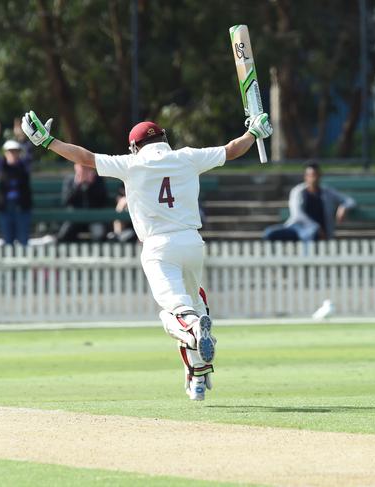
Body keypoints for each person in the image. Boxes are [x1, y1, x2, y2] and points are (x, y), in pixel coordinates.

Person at [21, 109, 272, 401]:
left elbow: (85, 158)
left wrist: (47, 141)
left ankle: (193, 330)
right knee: (194, 304)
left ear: (134, 146)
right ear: (164, 138)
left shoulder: (131, 164)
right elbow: (232, 150)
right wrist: (253, 133)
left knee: (174, 314)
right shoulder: (187, 156)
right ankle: (198, 375)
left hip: (158, 247)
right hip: (192, 243)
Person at [263, 163, 356, 241]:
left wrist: (344, 207)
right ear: (305, 177)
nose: (313, 178)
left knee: (311, 234)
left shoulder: (328, 192)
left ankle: (307, 262)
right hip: (296, 228)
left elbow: (350, 201)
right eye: (311, 175)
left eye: (316, 175)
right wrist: (316, 227)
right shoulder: (297, 191)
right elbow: (297, 215)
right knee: (270, 233)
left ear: (320, 176)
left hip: (317, 233)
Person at [0, 119, 34, 245]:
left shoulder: (23, 165)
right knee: (8, 241)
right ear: (5, 153)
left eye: (15, 151)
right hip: (6, 208)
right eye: (10, 151)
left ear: (19, 152)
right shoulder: (1, 165)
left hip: (22, 207)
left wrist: (21, 136)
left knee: (23, 241)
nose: (12, 154)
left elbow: (29, 151)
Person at [57, 164, 108, 242]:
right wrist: (77, 185)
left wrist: (91, 185)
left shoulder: (98, 180)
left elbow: (103, 201)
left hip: (94, 217)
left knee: (99, 234)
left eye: (86, 167)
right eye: (81, 167)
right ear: (76, 167)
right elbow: (66, 201)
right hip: (75, 218)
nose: (84, 170)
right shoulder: (70, 180)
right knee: (64, 235)